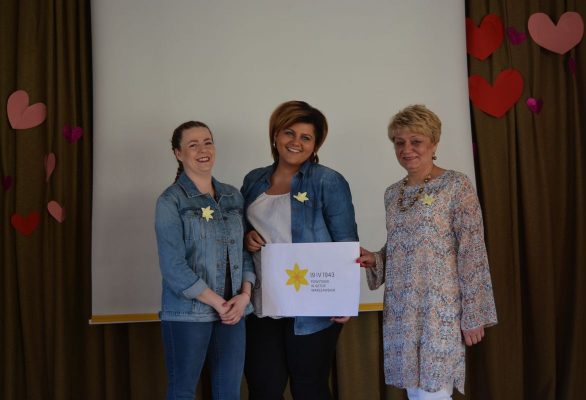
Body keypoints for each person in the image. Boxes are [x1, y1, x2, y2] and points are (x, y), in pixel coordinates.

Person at [357, 105, 497, 400]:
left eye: (416, 141)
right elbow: (402, 244)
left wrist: (473, 313)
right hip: (402, 306)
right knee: (415, 393)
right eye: (399, 142)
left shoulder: (456, 185)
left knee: (435, 392)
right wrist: (377, 259)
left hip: (440, 306)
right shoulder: (392, 193)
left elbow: (472, 250)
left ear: (434, 143)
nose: (406, 149)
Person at [241, 100, 359, 400]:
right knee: (263, 389)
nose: (296, 142)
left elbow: (346, 241)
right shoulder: (253, 180)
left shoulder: (328, 181)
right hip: (262, 302)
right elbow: (240, 231)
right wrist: (246, 237)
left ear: (315, 144)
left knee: (309, 388)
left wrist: (344, 298)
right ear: (275, 135)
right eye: (289, 133)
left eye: (306, 137)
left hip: (314, 303)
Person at [154, 121, 255, 400]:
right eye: (193, 144)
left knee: (229, 392)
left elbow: (244, 252)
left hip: (234, 311)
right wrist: (218, 303)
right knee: (183, 391)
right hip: (189, 313)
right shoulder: (170, 201)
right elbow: (173, 266)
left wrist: (244, 296)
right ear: (178, 153)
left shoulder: (233, 196)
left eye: (207, 142)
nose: (203, 149)